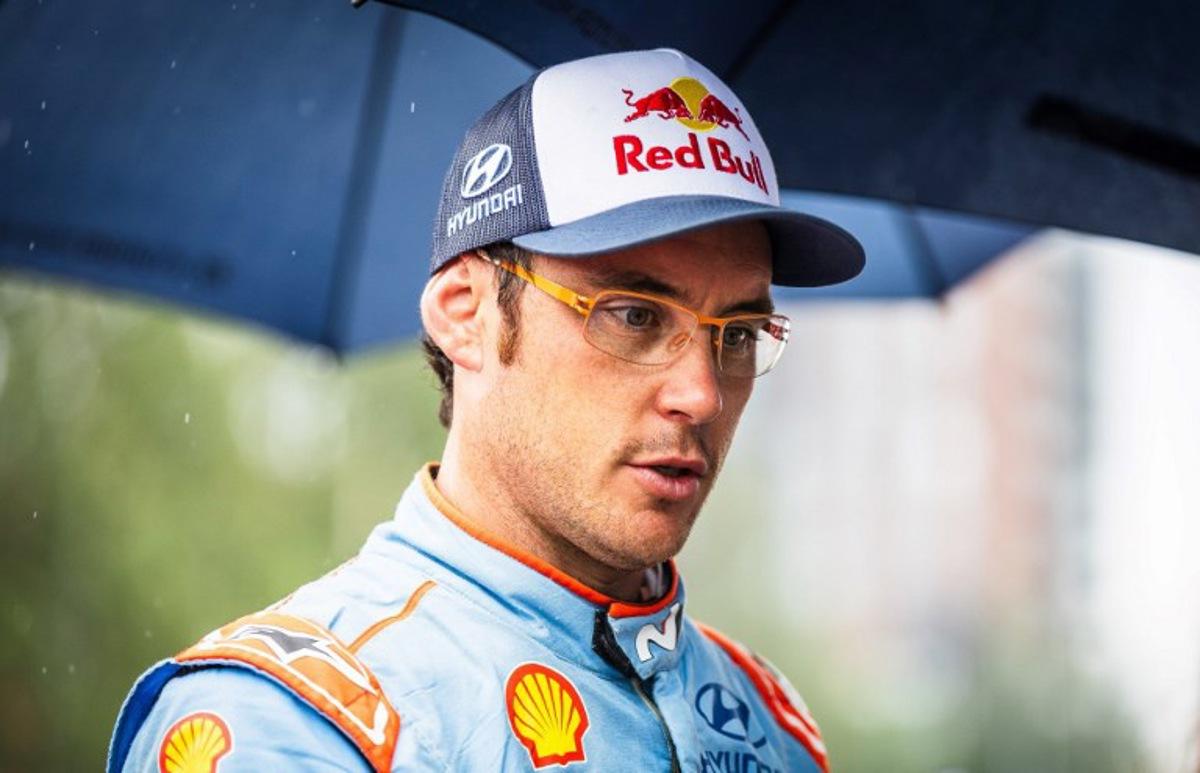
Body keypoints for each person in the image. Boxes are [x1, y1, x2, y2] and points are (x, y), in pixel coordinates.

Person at [107, 47, 863, 772]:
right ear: (464, 312)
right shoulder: (282, 722)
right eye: (634, 315)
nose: (702, 393)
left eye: (737, 334)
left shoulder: (768, 723)